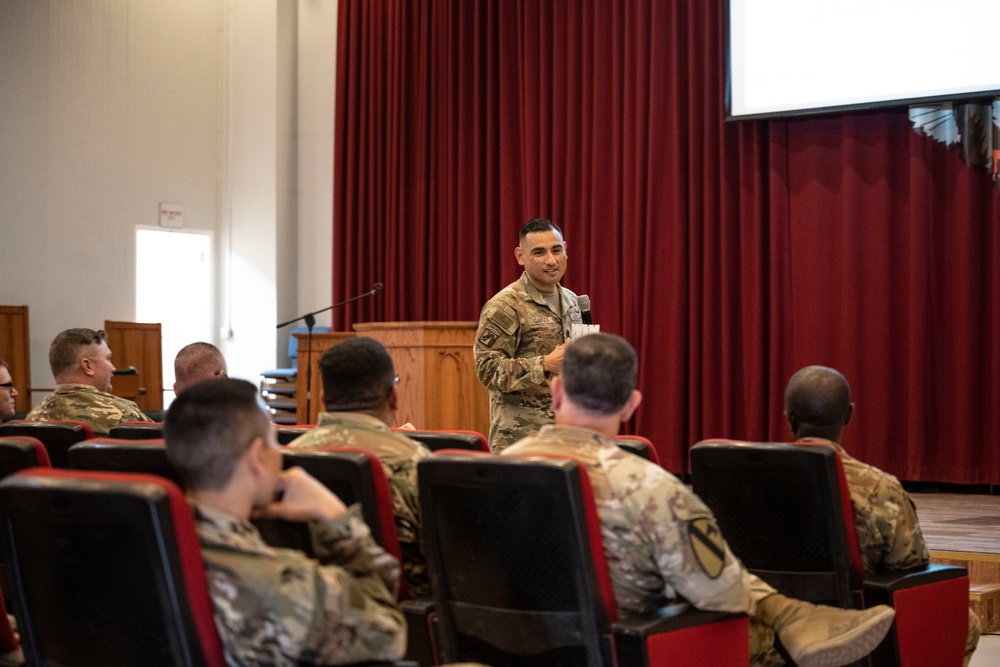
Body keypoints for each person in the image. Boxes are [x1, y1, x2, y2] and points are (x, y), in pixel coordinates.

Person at [503, 334, 896, 667]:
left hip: (505, 647)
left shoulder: (495, 468)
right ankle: (792, 616)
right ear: (631, 405)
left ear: (556, 392)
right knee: (745, 617)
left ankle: (796, 617)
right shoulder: (653, 488)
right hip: (627, 648)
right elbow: (718, 590)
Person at [163, 378, 406, 666]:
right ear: (256, 457)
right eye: (274, 441)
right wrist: (334, 517)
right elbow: (389, 633)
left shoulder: (149, 546)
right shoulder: (285, 584)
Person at [784, 365, 980, 665]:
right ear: (848, 415)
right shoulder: (878, 487)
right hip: (853, 631)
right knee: (966, 622)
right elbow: (911, 566)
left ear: (789, 419)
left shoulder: (744, 480)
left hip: (770, 628)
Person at [287, 337, 432, 598]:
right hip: (398, 614)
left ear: (322, 397)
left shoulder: (288, 457)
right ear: (393, 396)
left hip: (308, 602)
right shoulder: (414, 461)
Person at [474, 218, 583, 452]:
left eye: (556, 250)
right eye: (539, 252)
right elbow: (487, 370)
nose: (551, 260)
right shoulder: (506, 305)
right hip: (520, 439)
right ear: (520, 256)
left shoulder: (573, 301)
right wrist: (544, 364)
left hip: (567, 434)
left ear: (565, 249)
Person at [25, 328, 151, 435]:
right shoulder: (122, 413)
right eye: (108, 359)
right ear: (88, 366)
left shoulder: (32, 418)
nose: (113, 368)